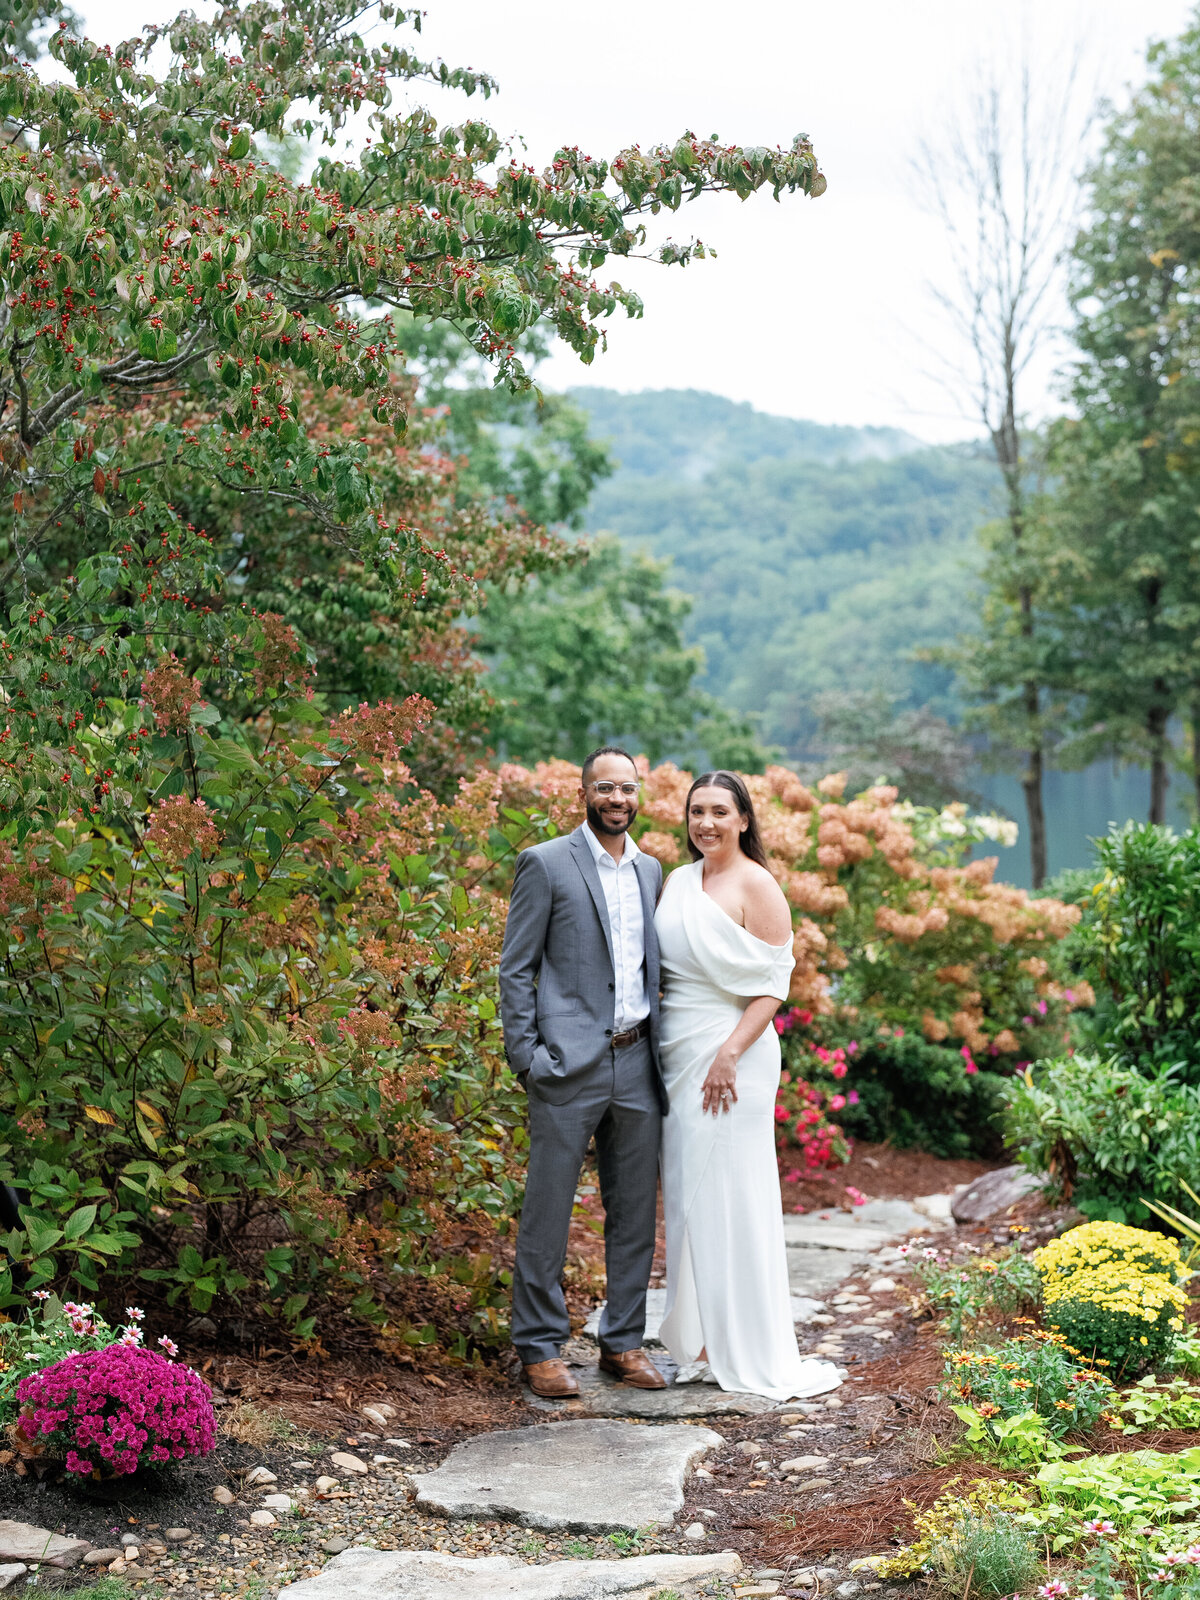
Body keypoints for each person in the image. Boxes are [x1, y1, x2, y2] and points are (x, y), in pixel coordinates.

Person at [655, 770, 841, 1401]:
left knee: (731, 1194)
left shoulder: (757, 883)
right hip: (678, 1053)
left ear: (742, 820)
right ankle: (703, 1340)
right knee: (686, 1196)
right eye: (696, 811)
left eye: (719, 812)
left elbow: (773, 984)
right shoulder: (678, 882)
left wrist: (730, 1052)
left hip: (734, 1057)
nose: (706, 823)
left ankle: (744, 1343)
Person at [499, 746, 668, 1398]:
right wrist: (527, 1059)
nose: (616, 799)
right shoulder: (545, 863)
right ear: (584, 794)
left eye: (626, 789)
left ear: (638, 794)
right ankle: (539, 1349)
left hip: (638, 1062)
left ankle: (621, 1343)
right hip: (567, 1067)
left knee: (633, 1215)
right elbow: (516, 968)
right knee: (547, 1211)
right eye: (604, 788)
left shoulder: (654, 871)